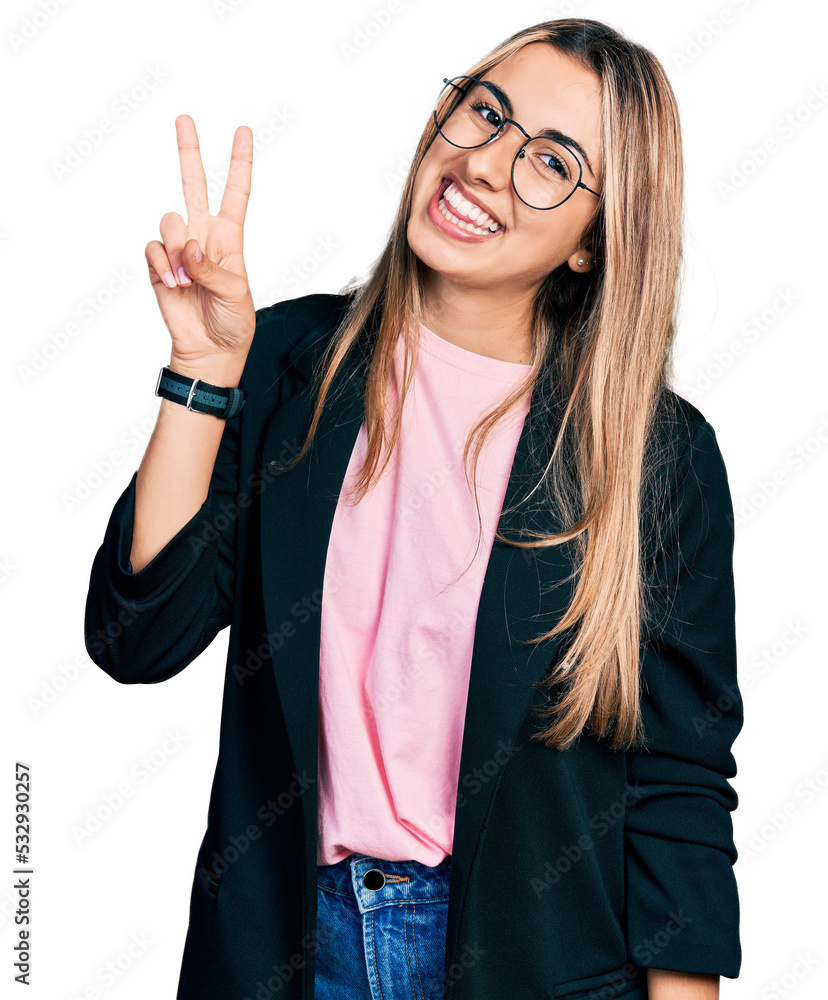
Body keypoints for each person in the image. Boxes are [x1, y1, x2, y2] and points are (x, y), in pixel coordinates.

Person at [84, 17, 742, 1000]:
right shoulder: (282, 364)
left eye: (551, 162)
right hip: (295, 953)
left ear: (593, 245)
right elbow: (139, 638)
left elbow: (679, 781)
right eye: (485, 112)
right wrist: (202, 374)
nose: (484, 164)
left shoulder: (660, 455)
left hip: (537, 966)